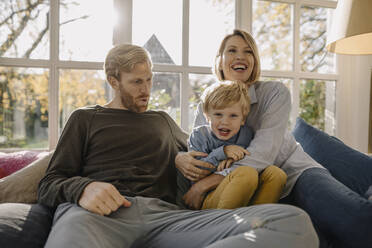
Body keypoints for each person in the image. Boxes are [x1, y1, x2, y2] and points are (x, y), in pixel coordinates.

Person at [37, 43, 318, 248]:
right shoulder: (86, 118)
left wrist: (181, 157)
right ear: (113, 82)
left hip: (167, 218)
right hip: (98, 218)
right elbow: (49, 183)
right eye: (136, 82)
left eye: (149, 80)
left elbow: (201, 152)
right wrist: (83, 188)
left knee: (293, 222)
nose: (146, 90)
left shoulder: (162, 121)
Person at [175, 29, 372, 248]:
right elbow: (200, 150)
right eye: (232, 50)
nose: (240, 56)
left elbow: (264, 152)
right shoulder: (208, 103)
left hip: (295, 173)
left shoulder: (274, 92)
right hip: (252, 189)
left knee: (352, 217)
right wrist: (180, 158)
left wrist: (203, 186)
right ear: (219, 61)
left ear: (254, 61)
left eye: (248, 52)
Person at [185, 80, 287, 210]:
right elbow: (197, 173)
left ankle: (256, 221)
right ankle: (225, 224)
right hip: (208, 196)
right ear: (207, 116)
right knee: (246, 172)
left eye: (233, 116)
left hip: (243, 192)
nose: (225, 122)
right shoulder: (200, 135)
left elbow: (247, 160)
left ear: (243, 119)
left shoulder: (245, 134)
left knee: (276, 174)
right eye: (218, 114)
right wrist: (223, 152)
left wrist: (231, 160)